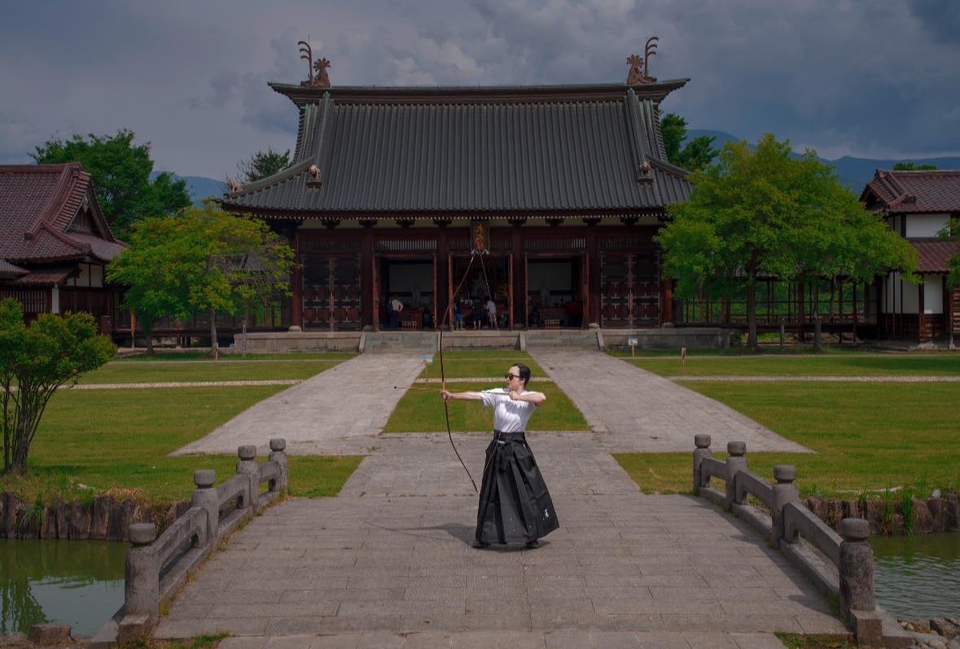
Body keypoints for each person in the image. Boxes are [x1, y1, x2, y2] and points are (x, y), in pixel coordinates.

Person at [440, 364, 559, 549]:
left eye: (511, 376)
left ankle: (531, 535)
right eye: (507, 375)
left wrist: (519, 397)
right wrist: (453, 395)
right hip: (497, 447)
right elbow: (475, 395)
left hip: (517, 448)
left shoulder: (527, 398)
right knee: (491, 491)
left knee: (524, 491)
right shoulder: (499, 393)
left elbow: (542, 398)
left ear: (522, 380)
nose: (507, 379)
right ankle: (484, 536)